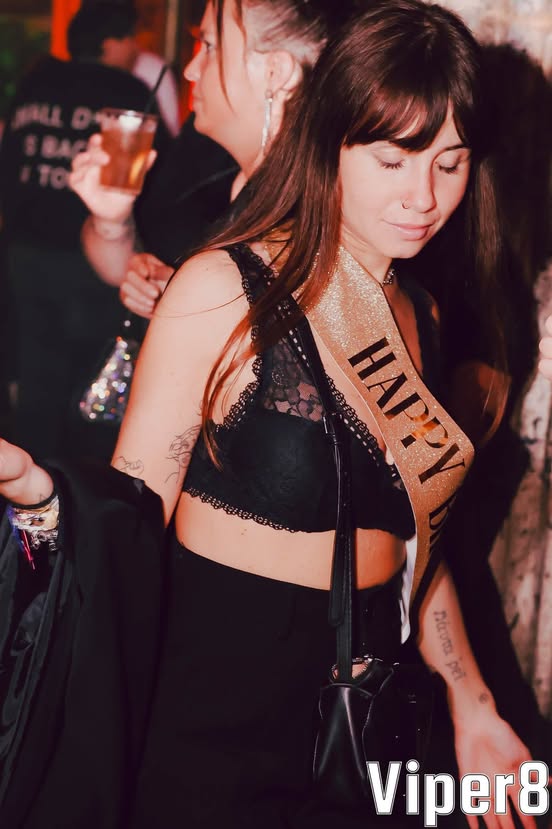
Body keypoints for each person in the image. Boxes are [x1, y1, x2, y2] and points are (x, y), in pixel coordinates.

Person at [0, 2, 541, 829]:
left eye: (450, 162)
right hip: (214, 721)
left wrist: (473, 704)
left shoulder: (421, 315)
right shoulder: (223, 290)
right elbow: (128, 523)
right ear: (332, 142)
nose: (424, 197)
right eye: (392, 160)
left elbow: (415, 554)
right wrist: (45, 497)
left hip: (368, 715)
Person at [0, 2, 168, 460]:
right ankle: (74, 488)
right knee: (93, 386)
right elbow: (161, 179)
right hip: (93, 259)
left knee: (37, 381)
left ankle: (30, 486)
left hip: (26, 252)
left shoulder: (36, 82)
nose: (136, 50)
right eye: (131, 40)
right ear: (111, 42)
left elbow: (9, 158)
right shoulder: (127, 92)